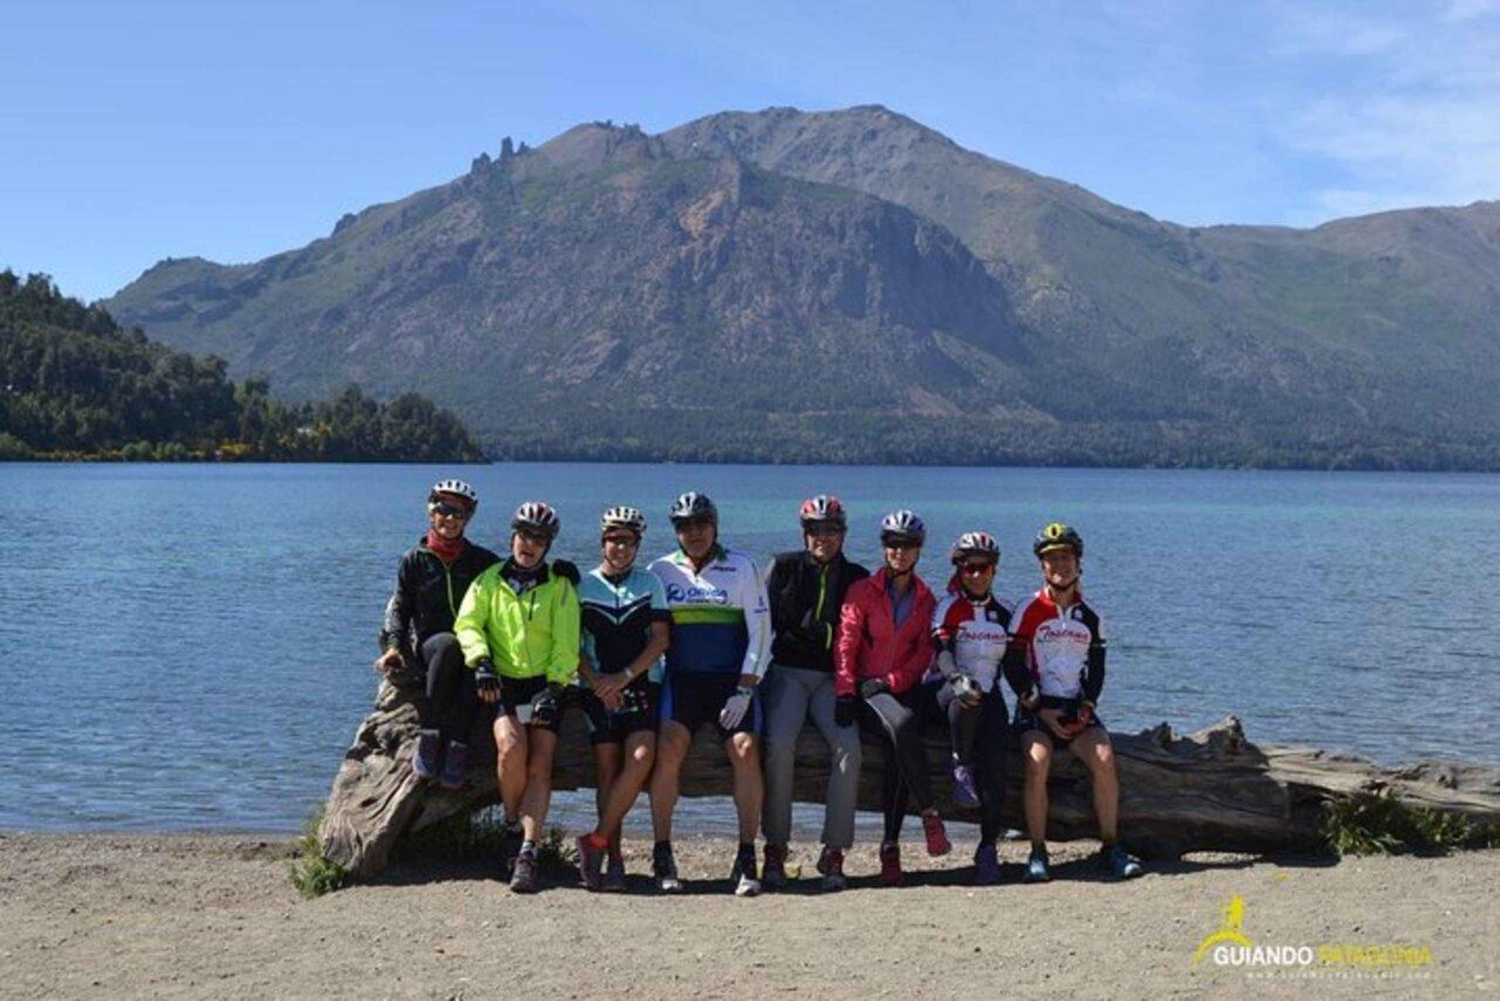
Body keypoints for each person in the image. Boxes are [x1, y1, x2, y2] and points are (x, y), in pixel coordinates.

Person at [1001, 521, 1143, 883]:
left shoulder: (1092, 616)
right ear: (1041, 566)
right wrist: (1039, 709)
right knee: (1038, 762)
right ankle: (1037, 850)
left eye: (1066, 558)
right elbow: (1013, 666)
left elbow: (1097, 671)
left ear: (1078, 562)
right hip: (1036, 708)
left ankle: (1110, 846)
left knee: (1105, 758)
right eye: (1051, 560)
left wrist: (1087, 709)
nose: (1059, 566)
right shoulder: (1027, 610)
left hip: (1076, 708)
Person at [647, 492, 770, 896]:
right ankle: (662, 852)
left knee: (746, 749)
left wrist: (744, 689)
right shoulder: (661, 570)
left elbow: (762, 634)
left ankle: (747, 856)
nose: (693, 533)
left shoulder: (742, 567)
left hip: (730, 683)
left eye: (701, 524)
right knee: (668, 748)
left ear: (715, 525)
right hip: (682, 682)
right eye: (684, 526)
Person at [454, 501, 581, 894]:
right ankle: (512, 823)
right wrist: (481, 661)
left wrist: (556, 686)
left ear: (548, 545)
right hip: (502, 681)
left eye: (540, 538)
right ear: (513, 536)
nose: (530, 544)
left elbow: (567, 640)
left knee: (540, 764)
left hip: (544, 682)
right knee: (511, 748)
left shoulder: (560, 585)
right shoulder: (489, 579)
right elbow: (468, 622)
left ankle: (528, 850)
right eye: (525, 535)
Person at [760, 495, 870, 891]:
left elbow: (865, 635)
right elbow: (762, 623)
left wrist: (854, 688)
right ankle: (775, 847)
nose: (824, 537)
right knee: (778, 744)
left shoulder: (858, 576)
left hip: (832, 678)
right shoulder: (784, 566)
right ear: (804, 533)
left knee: (849, 748)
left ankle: (834, 850)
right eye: (816, 530)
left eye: (832, 530)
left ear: (843, 534)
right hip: (787, 672)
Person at [835, 510, 950, 887]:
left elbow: (922, 654)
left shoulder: (925, 598)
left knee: (899, 748)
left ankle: (890, 848)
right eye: (893, 544)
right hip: (865, 690)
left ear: (918, 550)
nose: (900, 552)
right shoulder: (863, 591)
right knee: (901, 725)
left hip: (897, 687)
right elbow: (847, 642)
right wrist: (846, 689)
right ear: (884, 548)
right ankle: (930, 813)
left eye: (908, 545)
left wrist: (892, 680)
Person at [375, 479, 501, 789]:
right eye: (444, 509)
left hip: (473, 647)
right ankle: (429, 738)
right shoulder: (415, 560)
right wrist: (393, 648)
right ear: (431, 511)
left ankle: (457, 747)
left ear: (468, 518)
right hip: (432, 647)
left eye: (459, 513)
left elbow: (525, 571)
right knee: (449, 645)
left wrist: (561, 572)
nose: (450, 518)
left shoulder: (482, 562)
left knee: (475, 659)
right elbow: (400, 608)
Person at [574, 506, 672, 892]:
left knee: (641, 759)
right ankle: (614, 860)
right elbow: (573, 644)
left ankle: (594, 840)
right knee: (607, 772)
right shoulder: (583, 586)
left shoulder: (651, 583)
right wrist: (598, 681)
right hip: (596, 688)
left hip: (642, 683)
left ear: (637, 545)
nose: (620, 547)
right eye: (614, 539)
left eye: (628, 541)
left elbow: (661, 639)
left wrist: (624, 677)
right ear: (603, 542)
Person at [928, 531, 1014, 885]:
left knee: (995, 769)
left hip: (990, 695)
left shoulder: (1005, 612)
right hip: (950, 692)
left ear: (994, 569)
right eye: (968, 568)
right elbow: (942, 652)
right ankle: (960, 763)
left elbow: (1017, 666)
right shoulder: (948, 606)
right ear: (959, 569)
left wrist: (1030, 699)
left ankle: (988, 847)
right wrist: (956, 677)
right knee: (968, 695)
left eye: (983, 568)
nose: (975, 575)